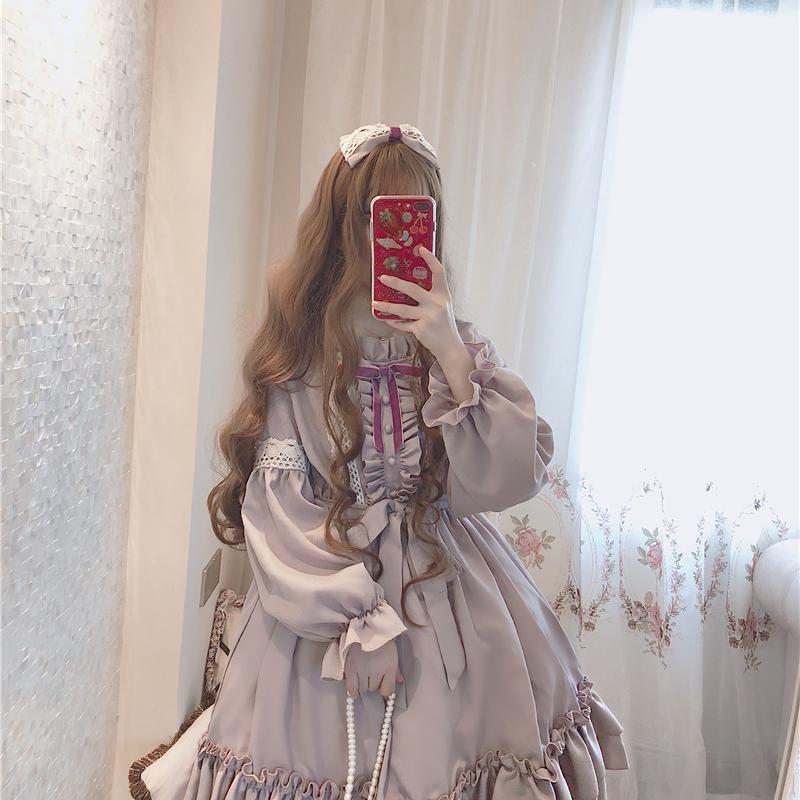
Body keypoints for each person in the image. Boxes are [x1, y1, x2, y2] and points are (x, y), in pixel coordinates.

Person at [129, 123, 629, 800]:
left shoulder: (455, 347)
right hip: (327, 601)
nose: (394, 237)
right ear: (342, 225)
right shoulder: (303, 356)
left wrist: (450, 353)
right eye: (378, 216)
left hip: (454, 588)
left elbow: (513, 474)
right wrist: (355, 623)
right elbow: (279, 507)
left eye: (415, 214)